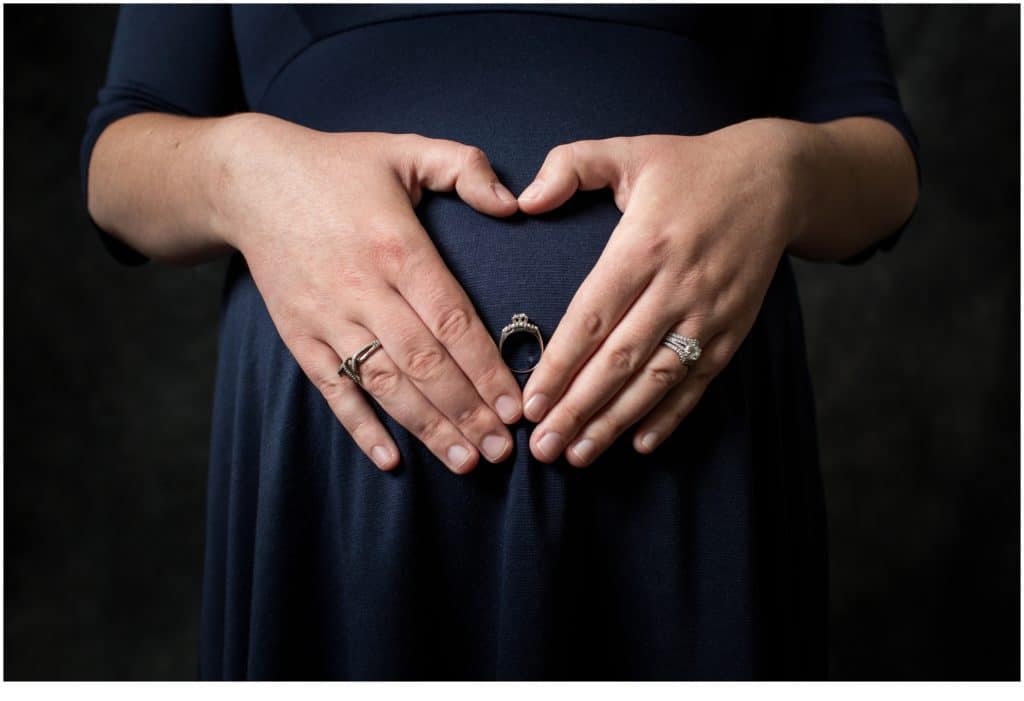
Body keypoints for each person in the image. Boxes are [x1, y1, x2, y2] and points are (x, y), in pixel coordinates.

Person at [81, 4, 920, 680]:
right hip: (342, 480)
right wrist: (239, 168)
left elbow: (881, 158)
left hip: (694, 469)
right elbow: (118, 159)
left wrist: (783, 169)